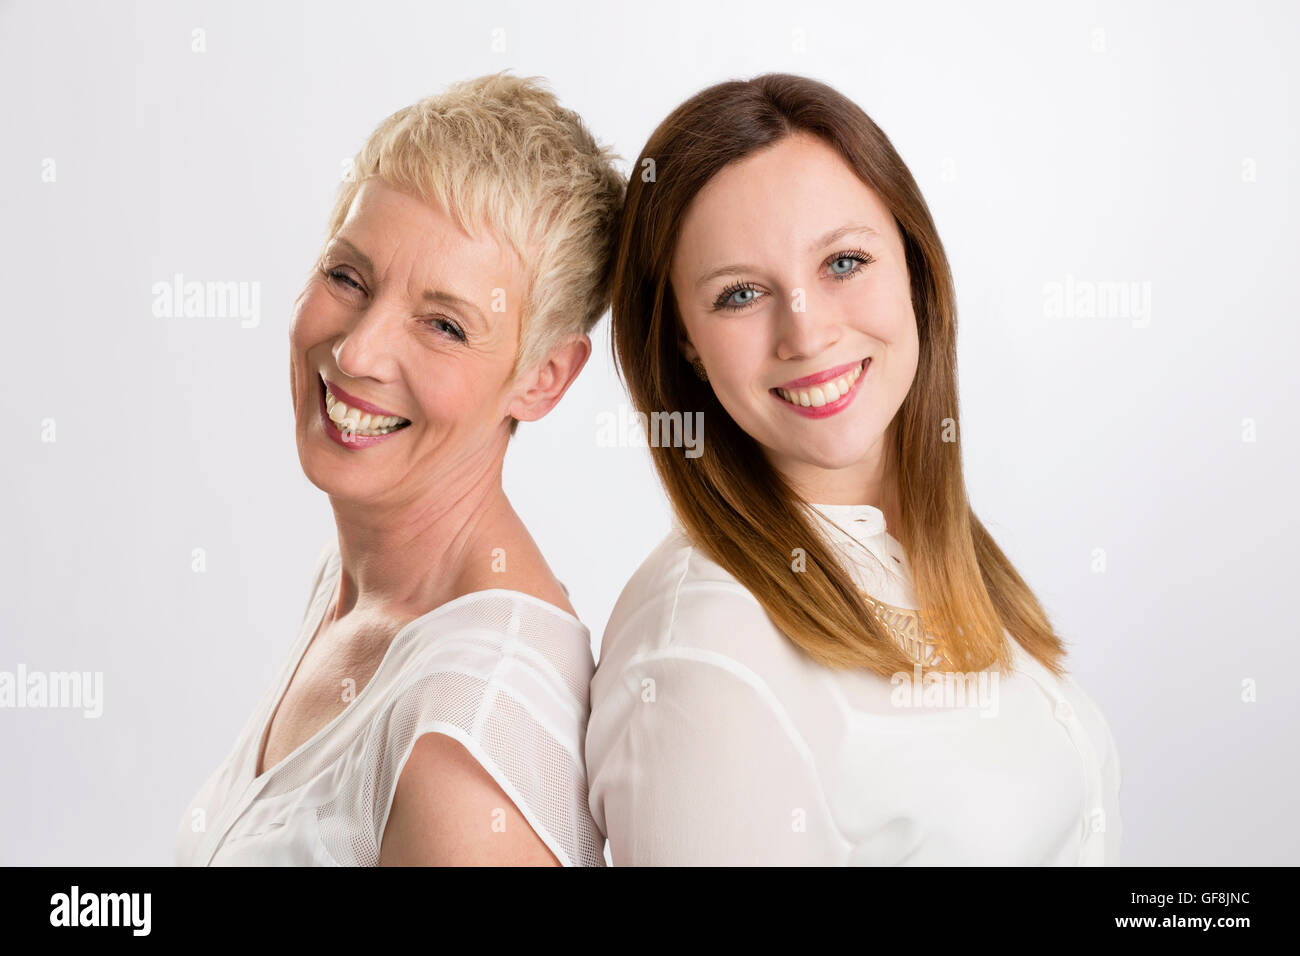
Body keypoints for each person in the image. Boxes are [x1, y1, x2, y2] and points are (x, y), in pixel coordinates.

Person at [587, 73, 1122, 865]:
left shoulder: (925, 550)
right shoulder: (703, 660)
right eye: (739, 294)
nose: (805, 333)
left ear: (912, 263)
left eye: (842, 263)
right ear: (684, 343)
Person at [174, 72, 624, 866]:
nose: (355, 351)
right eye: (348, 277)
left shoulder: (466, 745)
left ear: (544, 376)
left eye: (445, 325)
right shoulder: (355, 581)